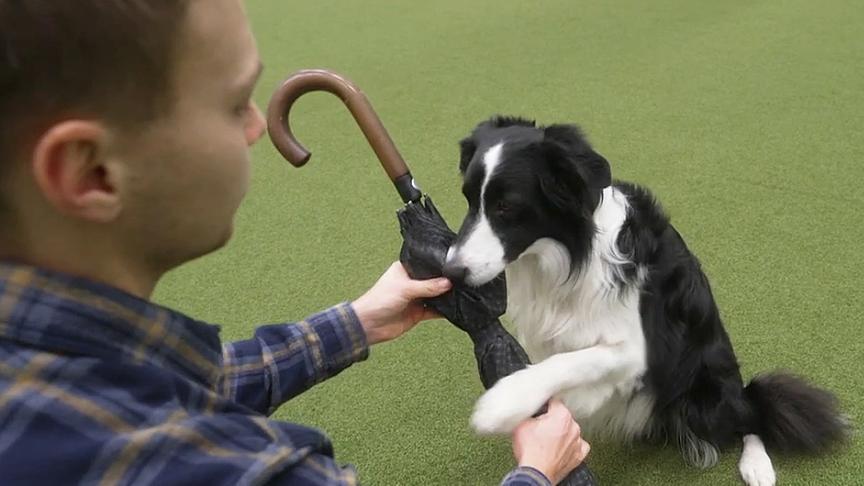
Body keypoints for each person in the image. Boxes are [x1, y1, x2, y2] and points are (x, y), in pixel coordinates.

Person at [0, 1, 590, 484]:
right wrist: (537, 473)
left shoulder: (50, 379)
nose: (258, 125)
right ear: (91, 171)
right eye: (234, 104)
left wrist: (357, 322)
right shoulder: (205, 467)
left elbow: (161, 388)